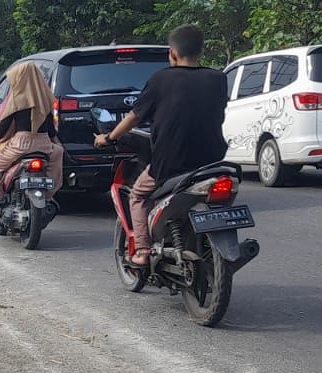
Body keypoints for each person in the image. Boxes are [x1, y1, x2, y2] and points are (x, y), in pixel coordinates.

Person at [95, 25, 228, 265]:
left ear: (172, 53)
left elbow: (134, 116)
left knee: (137, 196)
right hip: (213, 162)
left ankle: (143, 251)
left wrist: (108, 138)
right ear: (202, 51)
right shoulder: (218, 79)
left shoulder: (161, 78)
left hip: (171, 163)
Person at [0, 64, 63, 204]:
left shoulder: (18, 99)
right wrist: (56, 142)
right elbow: (50, 127)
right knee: (59, 152)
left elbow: (4, 125)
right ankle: (49, 194)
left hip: (21, 144)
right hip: (44, 144)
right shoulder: (44, 98)